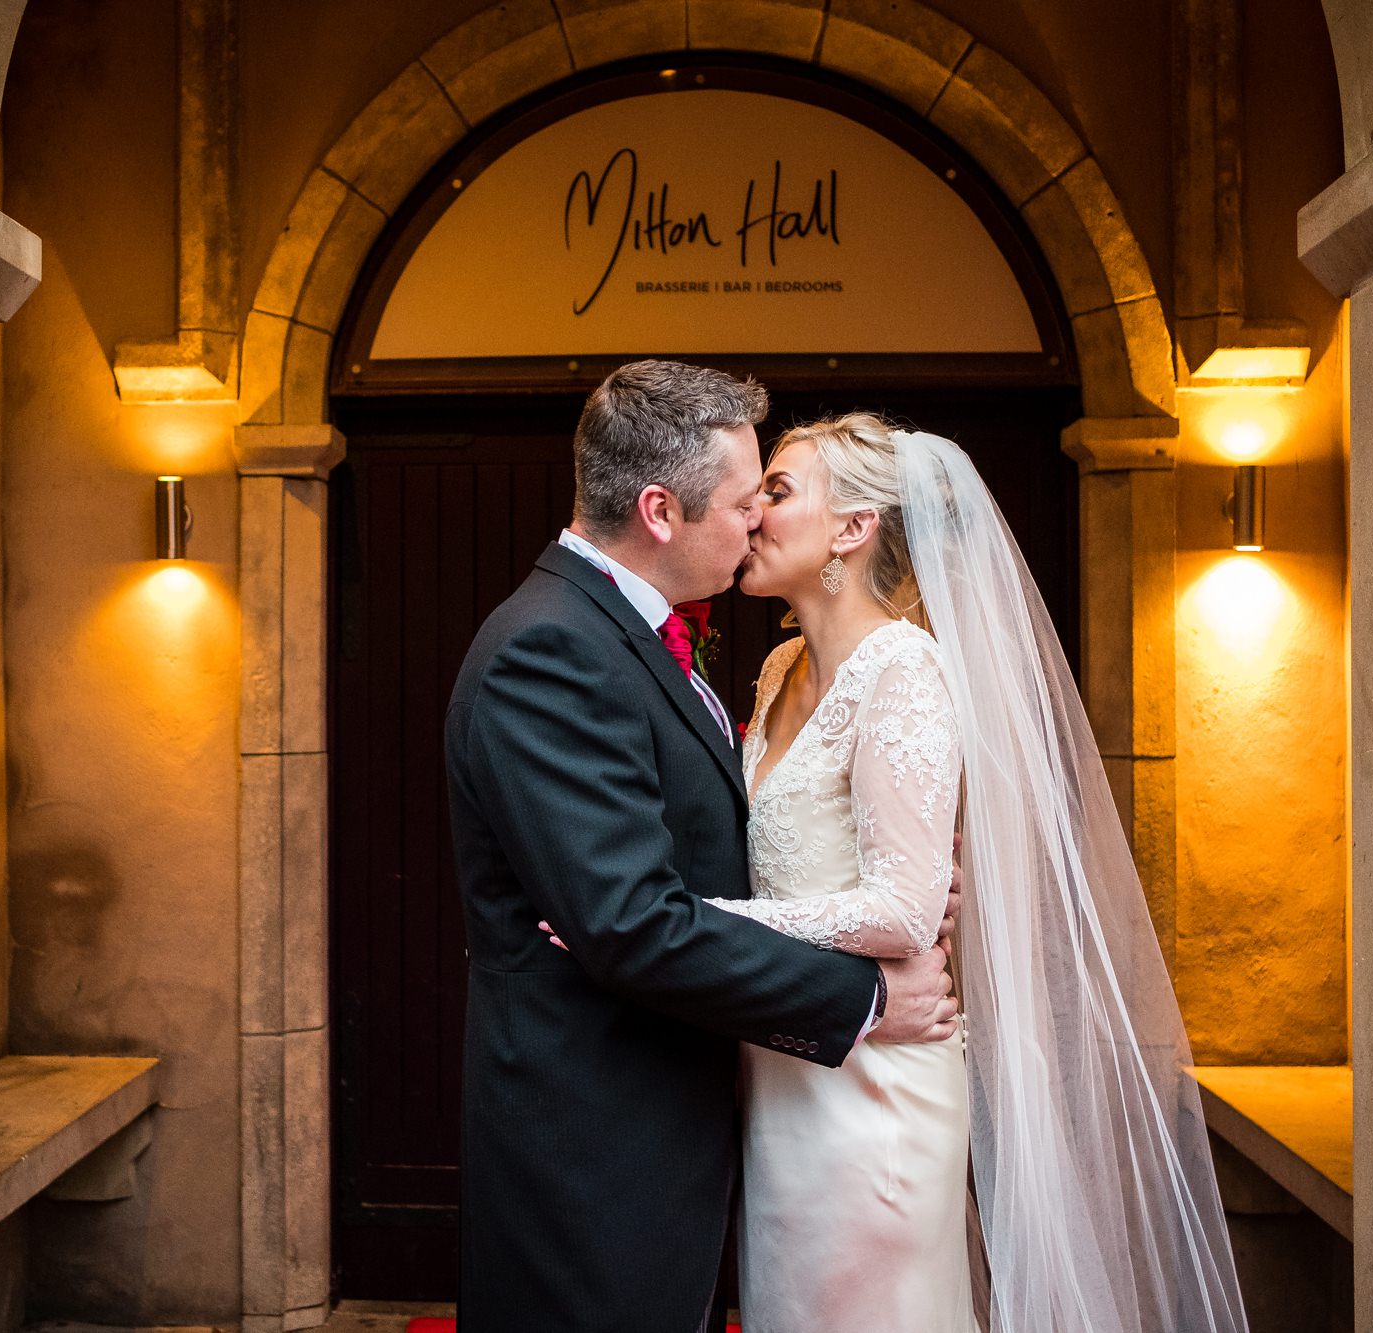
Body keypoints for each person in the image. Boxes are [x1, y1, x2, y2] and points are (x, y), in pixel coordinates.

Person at [694, 411, 1249, 1332]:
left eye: (779, 492)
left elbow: (907, 910)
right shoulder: (780, 666)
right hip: (785, 1072)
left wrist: (697, 917)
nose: (752, 512)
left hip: (876, 1096)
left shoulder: (904, 671)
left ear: (853, 527)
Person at [443, 362, 960, 1333]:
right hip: (595, 1146)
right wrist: (866, 997)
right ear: (657, 511)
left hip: (747, 1107)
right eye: (739, 500)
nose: (753, 521)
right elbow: (632, 923)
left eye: (772, 495)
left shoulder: (639, 642)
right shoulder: (550, 649)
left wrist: (904, 879)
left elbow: (719, 867)